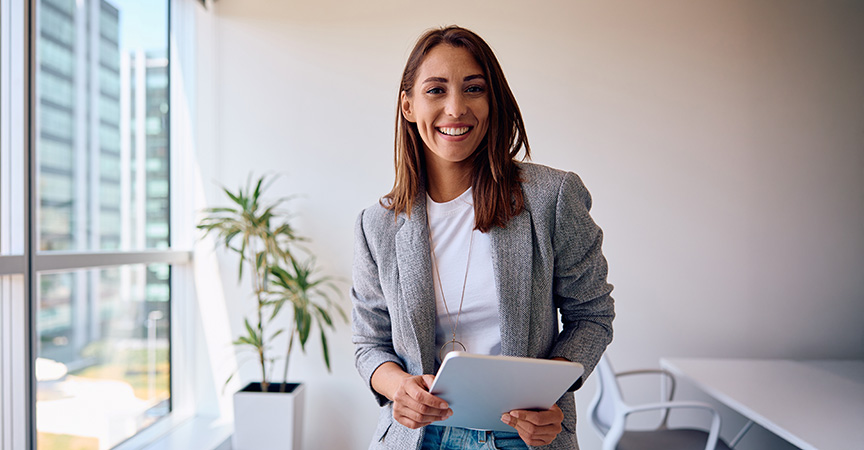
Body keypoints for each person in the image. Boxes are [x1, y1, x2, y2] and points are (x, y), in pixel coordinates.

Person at [352, 25, 615, 450]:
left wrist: (550, 396)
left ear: (493, 102)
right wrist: (399, 387)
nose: (455, 108)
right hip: (420, 438)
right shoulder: (377, 224)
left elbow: (593, 315)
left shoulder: (551, 197)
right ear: (408, 106)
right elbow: (369, 343)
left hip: (522, 437)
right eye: (436, 90)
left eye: (473, 88)